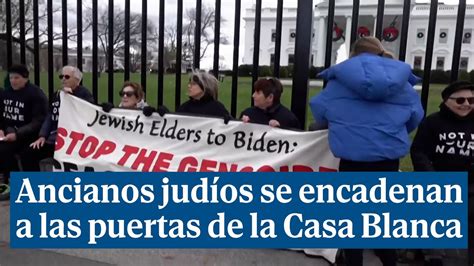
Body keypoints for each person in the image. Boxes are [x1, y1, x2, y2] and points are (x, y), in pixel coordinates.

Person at [309, 37, 424, 266]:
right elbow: (415, 116)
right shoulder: (401, 82)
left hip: (352, 158)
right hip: (387, 158)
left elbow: (320, 111)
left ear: (354, 53)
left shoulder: (339, 81)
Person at [411, 81, 474, 266]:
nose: (466, 104)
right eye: (460, 100)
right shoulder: (433, 122)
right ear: (447, 101)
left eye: (471, 100)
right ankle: (434, 257)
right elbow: (418, 151)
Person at [20, 66, 94, 171]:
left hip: (72, 142)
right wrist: (42, 136)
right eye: (61, 76)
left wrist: (72, 98)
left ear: (77, 80)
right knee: (28, 154)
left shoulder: (84, 93)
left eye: (67, 76)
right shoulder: (57, 94)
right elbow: (50, 116)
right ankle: (35, 184)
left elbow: (88, 113)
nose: (63, 79)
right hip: (53, 139)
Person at [0, 64, 48, 183]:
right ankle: (11, 181)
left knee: (27, 155)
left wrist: (17, 134)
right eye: (11, 78)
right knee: (3, 151)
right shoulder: (5, 93)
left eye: (17, 78)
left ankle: (32, 184)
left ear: (25, 78)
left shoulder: (35, 94)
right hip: (9, 135)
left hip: (30, 136)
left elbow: (39, 120)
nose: (13, 81)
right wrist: (1, 129)